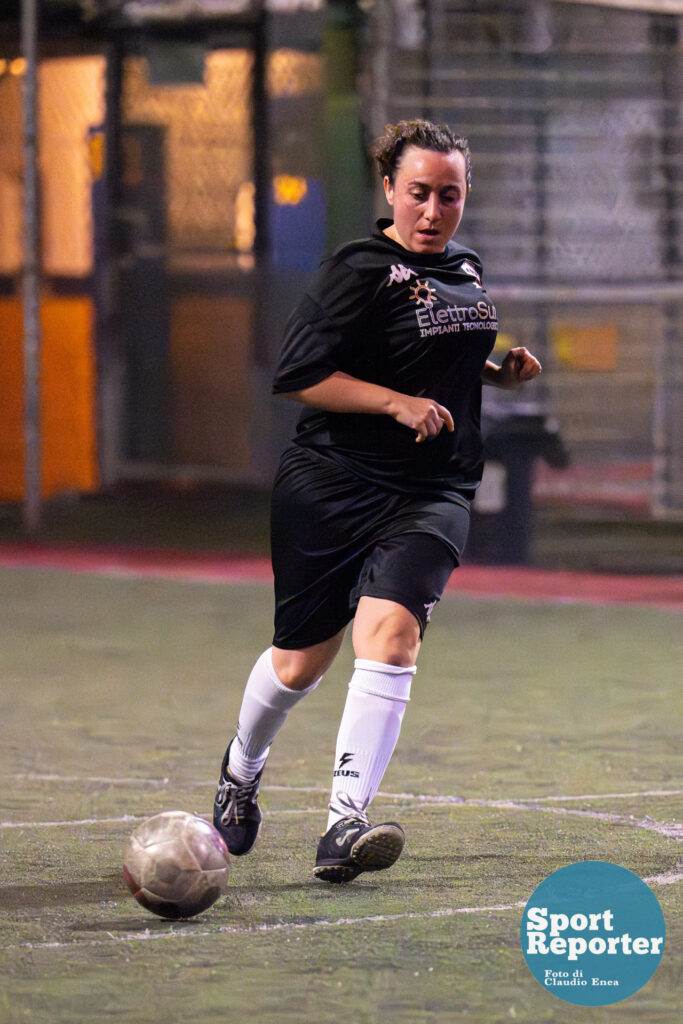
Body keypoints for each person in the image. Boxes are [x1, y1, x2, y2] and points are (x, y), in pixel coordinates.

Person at [213, 119, 542, 884]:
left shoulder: (464, 264)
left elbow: (439, 349)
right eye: (419, 193)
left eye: (449, 196)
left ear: (466, 197)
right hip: (331, 482)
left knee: (390, 638)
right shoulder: (356, 267)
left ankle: (343, 825)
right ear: (389, 190)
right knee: (299, 665)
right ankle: (239, 770)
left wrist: (497, 373)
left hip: (434, 487)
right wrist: (395, 402)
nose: (433, 211)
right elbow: (297, 373)